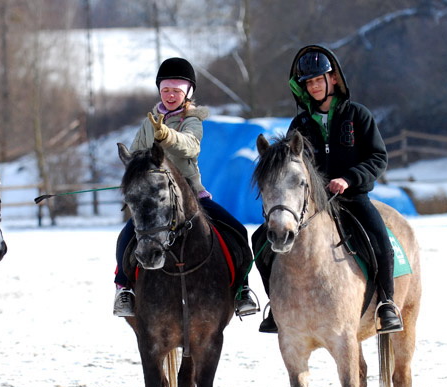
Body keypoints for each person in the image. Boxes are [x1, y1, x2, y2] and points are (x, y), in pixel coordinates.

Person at [253, 44, 402, 334]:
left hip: (352, 197)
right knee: (260, 238)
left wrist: (349, 179)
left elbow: (378, 157)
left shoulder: (358, 115)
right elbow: (290, 164)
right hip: (312, 204)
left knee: (378, 236)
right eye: (308, 83)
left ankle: (386, 303)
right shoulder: (299, 124)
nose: (314, 87)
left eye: (318, 80)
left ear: (333, 79)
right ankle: (276, 306)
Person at [113, 57, 258, 318]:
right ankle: (124, 289)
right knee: (127, 236)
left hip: (190, 194)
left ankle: (241, 289)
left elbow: (190, 146)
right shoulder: (149, 123)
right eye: (166, 90)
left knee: (236, 229)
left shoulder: (192, 120)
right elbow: (137, 156)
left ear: (187, 93)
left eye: (176, 91)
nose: (170, 95)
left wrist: (165, 135)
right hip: (157, 197)